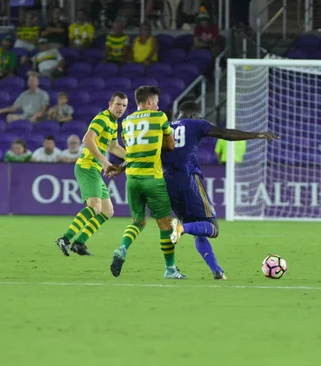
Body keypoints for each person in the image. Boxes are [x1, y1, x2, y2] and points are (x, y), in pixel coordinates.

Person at [107, 101, 279, 280]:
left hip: (166, 183)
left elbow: (145, 152)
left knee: (199, 229)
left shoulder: (163, 127)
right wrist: (258, 134)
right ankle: (182, 228)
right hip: (189, 179)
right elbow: (225, 133)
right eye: (199, 116)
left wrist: (121, 166)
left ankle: (217, 271)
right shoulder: (196, 124)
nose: (201, 119)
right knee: (212, 227)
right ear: (192, 115)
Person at [108, 86, 184, 279]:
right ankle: (170, 269)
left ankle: (122, 248)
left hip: (132, 179)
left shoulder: (125, 122)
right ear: (150, 102)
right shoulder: (159, 117)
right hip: (153, 178)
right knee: (165, 225)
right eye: (156, 101)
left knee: (138, 221)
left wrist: (120, 167)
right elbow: (171, 145)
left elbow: (133, 152)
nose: (158, 105)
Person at [54, 92, 128, 257]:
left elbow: (114, 147)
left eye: (124, 105)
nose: (121, 108)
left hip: (94, 169)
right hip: (87, 167)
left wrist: (132, 156)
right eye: (118, 104)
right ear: (110, 104)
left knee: (107, 211)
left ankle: (79, 243)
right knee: (94, 207)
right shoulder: (102, 118)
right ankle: (65, 239)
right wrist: (104, 162)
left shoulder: (114, 123)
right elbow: (87, 139)